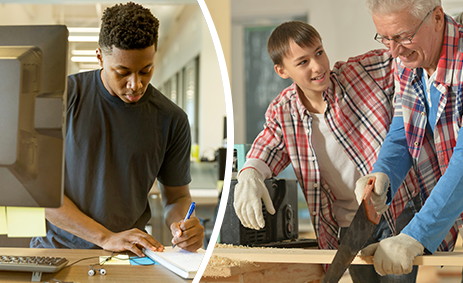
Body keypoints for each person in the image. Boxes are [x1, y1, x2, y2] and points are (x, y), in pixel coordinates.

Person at [233, 20, 421, 282]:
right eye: (302, 62)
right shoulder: (283, 111)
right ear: (281, 70)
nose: (318, 66)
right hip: (351, 227)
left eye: (319, 52)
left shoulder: (360, 73)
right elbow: (266, 147)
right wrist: (249, 174)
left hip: (397, 213)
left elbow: (404, 56)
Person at [30, 2, 204, 256]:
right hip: (57, 252)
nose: (136, 84)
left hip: (128, 256)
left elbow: (177, 198)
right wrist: (104, 237)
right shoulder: (62, 98)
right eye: (122, 72)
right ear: (100, 56)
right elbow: (39, 191)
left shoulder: (171, 119)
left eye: (146, 70)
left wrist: (184, 227)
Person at [356, 0, 463, 276]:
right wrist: (383, 174)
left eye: (403, 36)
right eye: (385, 38)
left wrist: (415, 235)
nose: (393, 50)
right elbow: (404, 126)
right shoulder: (407, 60)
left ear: (437, 18)